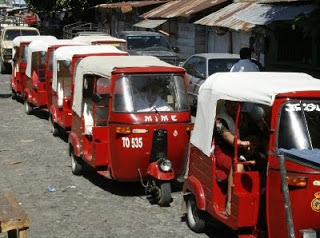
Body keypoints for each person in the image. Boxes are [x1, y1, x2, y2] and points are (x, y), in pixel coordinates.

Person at [213, 100, 252, 216]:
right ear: (226, 104)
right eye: (232, 103)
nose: (235, 106)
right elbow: (227, 136)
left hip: (242, 151)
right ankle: (230, 204)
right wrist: (241, 143)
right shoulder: (220, 121)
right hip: (223, 153)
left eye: (237, 104)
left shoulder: (244, 118)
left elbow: (258, 131)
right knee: (238, 165)